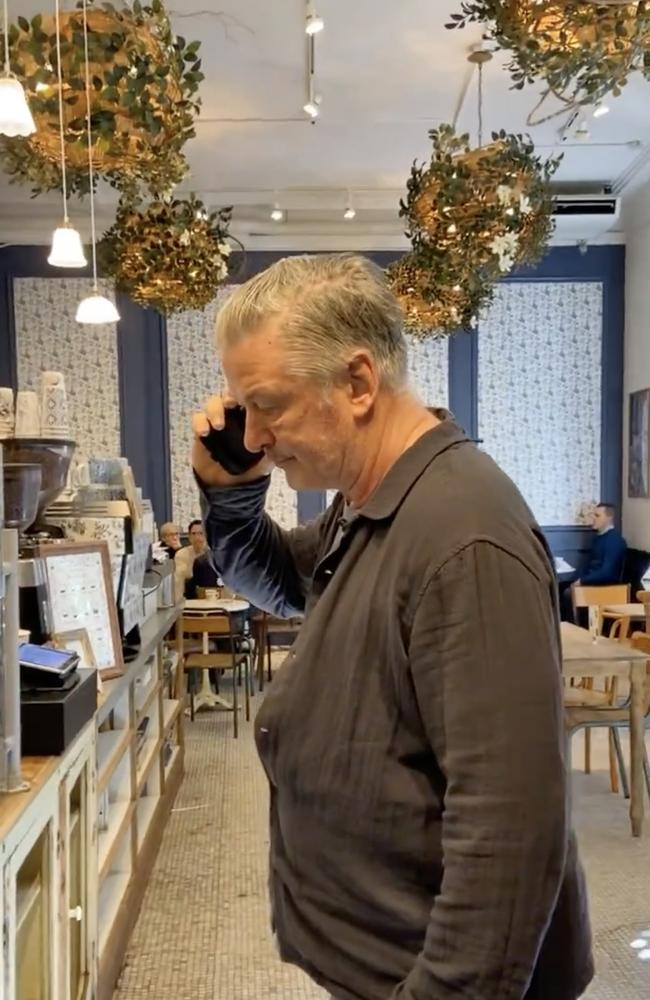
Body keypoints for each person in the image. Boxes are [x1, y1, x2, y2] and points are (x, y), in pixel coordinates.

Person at [191, 254, 593, 1000]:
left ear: (358, 383)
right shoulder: (374, 499)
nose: (251, 437)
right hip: (377, 958)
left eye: (267, 405)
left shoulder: (463, 533)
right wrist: (232, 495)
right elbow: (279, 580)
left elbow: (509, 831)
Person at [559, 503, 627, 622]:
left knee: (568, 593)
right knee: (561, 587)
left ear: (608, 517)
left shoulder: (614, 540)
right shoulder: (599, 538)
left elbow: (607, 573)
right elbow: (589, 566)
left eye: (597, 515)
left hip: (605, 588)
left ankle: (577, 630)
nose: (593, 518)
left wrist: (582, 580)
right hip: (593, 583)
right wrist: (577, 579)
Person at [174, 519, 208, 601]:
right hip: (190, 597)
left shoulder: (215, 554)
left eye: (201, 533)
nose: (197, 537)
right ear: (189, 537)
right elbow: (180, 580)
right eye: (193, 534)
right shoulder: (182, 555)